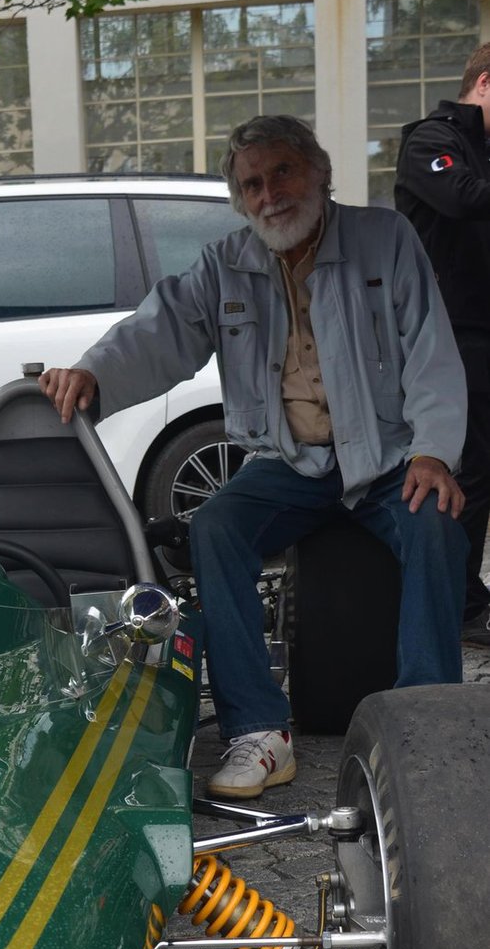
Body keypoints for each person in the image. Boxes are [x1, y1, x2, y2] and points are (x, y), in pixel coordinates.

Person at [40, 114, 468, 801]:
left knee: (437, 523)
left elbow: (431, 352)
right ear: (239, 200)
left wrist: (432, 453)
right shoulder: (225, 264)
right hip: (289, 462)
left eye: (282, 172)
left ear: (319, 172)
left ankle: (426, 720)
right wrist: (92, 371)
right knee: (215, 527)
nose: (269, 193)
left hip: (388, 455)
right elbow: (160, 331)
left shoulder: (384, 239)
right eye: (251, 183)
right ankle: (260, 732)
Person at [395, 42, 490, 647]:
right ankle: (457, 606)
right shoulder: (430, 141)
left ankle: (466, 599)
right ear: (484, 82)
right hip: (453, 339)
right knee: (470, 474)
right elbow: (463, 199)